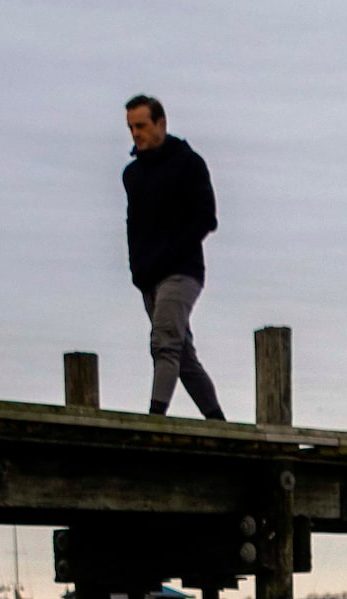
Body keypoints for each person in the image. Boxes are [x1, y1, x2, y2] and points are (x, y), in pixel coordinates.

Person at [121, 95, 225, 420]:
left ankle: (155, 420)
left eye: (141, 125)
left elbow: (206, 217)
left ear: (160, 124)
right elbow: (133, 224)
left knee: (164, 342)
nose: (135, 133)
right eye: (131, 127)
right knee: (184, 358)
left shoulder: (188, 163)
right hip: (148, 276)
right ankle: (219, 424)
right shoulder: (133, 174)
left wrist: (171, 251)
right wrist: (137, 268)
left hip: (182, 271)